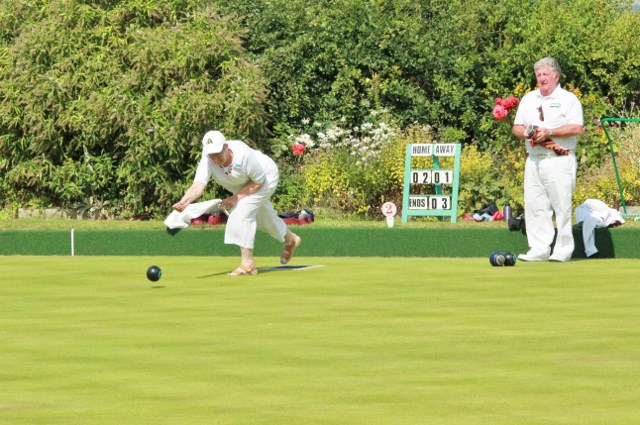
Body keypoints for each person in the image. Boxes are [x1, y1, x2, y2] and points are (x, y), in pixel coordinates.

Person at [172, 130, 301, 276]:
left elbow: (259, 181)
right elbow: (198, 185)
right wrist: (185, 201)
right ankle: (291, 240)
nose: (215, 159)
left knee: (241, 211)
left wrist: (235, 198)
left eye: (218, 154)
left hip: (265, 178)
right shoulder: (207, 158)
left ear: (226, 147)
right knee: (264, 219)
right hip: (243, 184)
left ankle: (248, 264)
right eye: (211, 155)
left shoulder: (243, 154)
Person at [512, 57, 585, 262]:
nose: (542, 78)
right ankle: (539, 249)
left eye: (545, 74)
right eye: (538, 75)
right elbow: (516, 127)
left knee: (562, 206)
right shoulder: (529, 99)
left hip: (559, 158)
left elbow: (577, 128)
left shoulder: (569, 99)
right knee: (535, 205)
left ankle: (562, 250)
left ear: (556, 76)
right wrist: (527, 132)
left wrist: (550, 131)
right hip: (534, 159)